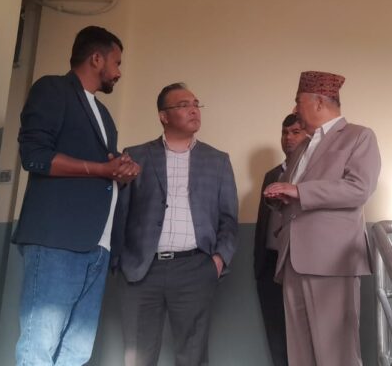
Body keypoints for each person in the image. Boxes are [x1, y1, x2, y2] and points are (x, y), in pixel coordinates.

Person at [12, 25, 140, 366]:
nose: (119, 72)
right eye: (116, 62)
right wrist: (103, 169)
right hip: (57, 241)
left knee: (76, 354)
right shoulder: (52, 89)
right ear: (96, 59)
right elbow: (34, 156)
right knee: (39, 347)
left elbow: (103, 168)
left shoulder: (105, 116)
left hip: (98, 247)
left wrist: (122, 171)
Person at [112, 82, 238, 366]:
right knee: (137, 356)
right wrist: (119, 261)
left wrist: (218, 260)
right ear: (163, 116)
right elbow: (120, 211)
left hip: (195, 268)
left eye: (196, 104)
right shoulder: (135, 155)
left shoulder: (217, 160)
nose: (193, 110)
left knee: (192, 355)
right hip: (141, 270)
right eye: (183, 105)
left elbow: (228, 218)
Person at [264, 70, 381, 366]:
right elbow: (294, 194)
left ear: (318, 102)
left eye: (298, 101)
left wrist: (298, 191)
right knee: (300, 354)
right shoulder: (303, 145)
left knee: (337, 354)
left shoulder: (359, 136)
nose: (294, 109)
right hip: (293, 259)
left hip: (332, 262)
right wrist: (279, 198)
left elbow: (359, 189)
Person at [254, 113, 307, 366]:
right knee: (277, 336)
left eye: (296, 132)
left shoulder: (314, 174)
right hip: (271, 265)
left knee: (306, 338)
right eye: (285, 133)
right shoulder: (271, 174)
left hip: (303, 265)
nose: (289, 138)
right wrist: (259, 266)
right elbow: (263, 224)